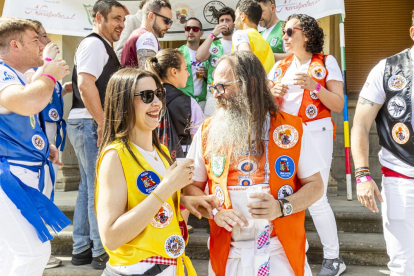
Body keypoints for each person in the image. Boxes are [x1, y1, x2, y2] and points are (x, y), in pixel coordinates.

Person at [184, 51, 325, 276]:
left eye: (222, 87)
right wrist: (214, 212)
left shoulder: (293, 128)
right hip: (228, 254)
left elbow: (316, 186)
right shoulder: (207, 131)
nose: (216, 95)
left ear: (249, 85)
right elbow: (190, 188)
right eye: (214, 87)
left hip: (279, 253)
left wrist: (281, 207)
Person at [96, 68, 217, 276]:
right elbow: (111, 237)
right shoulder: (115, 156)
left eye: (159, 94)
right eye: (146, 96)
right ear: (123, 102)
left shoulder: (160, 151)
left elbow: (146, 203)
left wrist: (181, 201)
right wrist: (166, 188)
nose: (158, 103)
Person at [267, 14, 345, 276]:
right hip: (285, 137)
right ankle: (297, 254)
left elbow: (338, 104)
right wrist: (272, 95)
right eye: (284, 32)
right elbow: (265, 106)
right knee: (289, 193)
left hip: (316, 131)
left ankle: (333, 258)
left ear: (307, 35)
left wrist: (314, 87)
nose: (285, 37)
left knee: (317, 196)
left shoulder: (325, 61)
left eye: (290, 32)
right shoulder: (279, 67)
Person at [0, 17, 70, 275]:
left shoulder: (15, 74)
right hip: (7, 175)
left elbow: (23, 113)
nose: (42, 45)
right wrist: (50, 73)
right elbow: (27, 103)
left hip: (18, 172)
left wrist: (40, 147)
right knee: (34, 252)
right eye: (35, 40)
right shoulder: (1, 71)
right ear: (15, 45)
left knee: (9, 252)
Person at [351, 11, 414, 275]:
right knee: (403, 264)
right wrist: (363, 174)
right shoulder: (387, 69)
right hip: (402, 180)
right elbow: (361, 124)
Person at [67, 0, 126, 269]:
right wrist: (102, 122)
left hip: (84, 124)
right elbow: (85, 82)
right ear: (99, 17)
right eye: (116, 18)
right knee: (97, 188)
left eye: (123, 20)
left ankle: (81, 248)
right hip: (90, 125)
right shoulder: (94, 44)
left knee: (86, 187)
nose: (121, 25)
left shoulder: (98, 45)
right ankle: (100, 250)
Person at [25, 19, 73, 270]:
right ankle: (40, 252)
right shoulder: (29, 68)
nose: (46, 41)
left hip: (47, 144)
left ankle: (43, 251)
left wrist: (60, 90)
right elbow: (30, 95)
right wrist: (46, 63)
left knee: (46, 193)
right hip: (32, 149)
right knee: (39, 196)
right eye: (39, 37)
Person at [145, 48, 205, 156]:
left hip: (152, 159)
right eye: (186, 69)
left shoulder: (146, 100)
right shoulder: (189, 103)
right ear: (174, 72)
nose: (188, 74)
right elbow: (200, 141)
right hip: (180, 161)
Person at [195, 7, 235, 116]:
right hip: (214, 92)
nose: (224, 23)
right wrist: (213, 34)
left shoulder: (239, 41)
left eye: (227, 20)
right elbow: (199, 56)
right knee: (209, 125)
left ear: (234, 24)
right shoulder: (214, 44)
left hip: (234, 92)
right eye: (221, 21)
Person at [121, 0, 172, 69]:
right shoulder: (147, 37)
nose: (169, 26)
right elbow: (148, 74)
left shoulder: (140, 34)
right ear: (151, 16)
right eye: (166, 21)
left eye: (170, 22)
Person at [232, 0, 275, 73]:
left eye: (236, 16)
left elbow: (246, 59)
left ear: (243, 16)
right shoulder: (264, 41)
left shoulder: (240, 34)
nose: (234, 22)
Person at [178, 18, 208, 110]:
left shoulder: (208, 53)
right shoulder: (178, 53)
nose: (191, 32)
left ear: (201, 33)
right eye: (188, 29)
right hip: (184, 100)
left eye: (195, 29)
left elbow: (213, 77)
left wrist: (206, 74)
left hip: (203, 101)